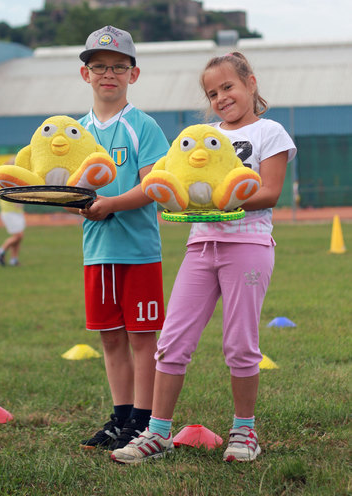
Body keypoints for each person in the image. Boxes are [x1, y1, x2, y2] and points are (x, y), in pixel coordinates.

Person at [111, 51, 297, 464]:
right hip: (201, 246)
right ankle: (157, 433)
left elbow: (269, 193)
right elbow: (168, 180)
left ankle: (244, 432)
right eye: (212, 93)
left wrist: (223, 203)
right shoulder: (199, 136)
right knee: (173, 340)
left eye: (228, 86)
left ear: (251, 82)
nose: (221, 98)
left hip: (248, 247)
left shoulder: (271, 132)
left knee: (240, 344)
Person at [77, 25, 170, 451]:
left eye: (118, 66)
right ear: (85, 74)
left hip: (139, 253)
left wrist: (110, 203)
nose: (108, 74)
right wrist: (74, 203)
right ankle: (120, 418)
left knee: (141, 338)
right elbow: (73, 190)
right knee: (110, 337)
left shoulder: (142, 126)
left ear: (134, 74)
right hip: (97, 253)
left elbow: (153, 186)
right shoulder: (75, 133)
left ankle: (144, 421)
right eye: (99, 67)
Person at [0, 198, 26, 266]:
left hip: (17, 211)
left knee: (18, 237)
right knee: (18, 236)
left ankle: (14, 260)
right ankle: (0, 252)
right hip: (9, 211)